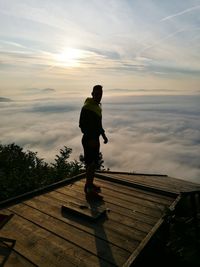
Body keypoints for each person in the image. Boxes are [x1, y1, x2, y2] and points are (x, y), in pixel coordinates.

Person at [79, 85, 108, 199]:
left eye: (100, 94)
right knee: (90, 164)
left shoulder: (97, 107)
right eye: (96, 94)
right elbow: (82, 125)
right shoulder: (87, 107)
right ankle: (89, 191)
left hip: (95, 139)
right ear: (92, 94)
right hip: (89, 140)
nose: (99, 96)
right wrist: (91, 138)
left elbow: (99, 125)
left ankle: (89, 184)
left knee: (93, 163)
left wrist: (104, 136)